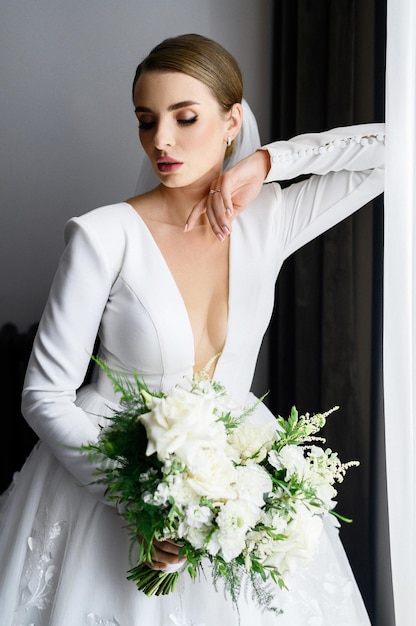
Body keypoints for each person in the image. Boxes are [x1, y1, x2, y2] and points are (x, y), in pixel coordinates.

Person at [0, 33, 384, 625]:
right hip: (109, 487)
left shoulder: (269, 219)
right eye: (146, 121)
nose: (162, 141)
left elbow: (396, 149)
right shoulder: (103, 236)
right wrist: (141, 502)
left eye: (185, 118)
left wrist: (268, 163)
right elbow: (43, 395)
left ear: (232, 121)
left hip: (237, 483)